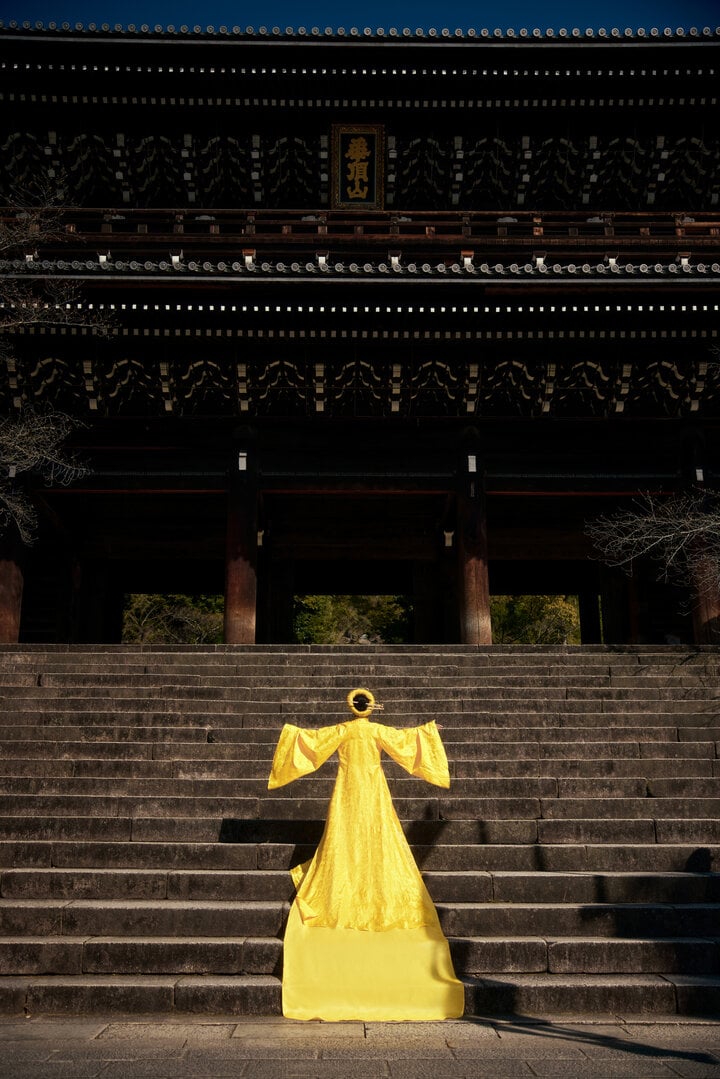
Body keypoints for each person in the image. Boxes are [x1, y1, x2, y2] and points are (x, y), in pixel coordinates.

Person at [267, 687, 465, 1021]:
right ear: (370, 707)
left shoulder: (344, 730)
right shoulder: (374, 730)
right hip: (373, 787)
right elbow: (406, 742)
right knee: (379, 831)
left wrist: (289, 734)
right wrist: (430, 732)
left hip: (347, 788)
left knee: (343, 832)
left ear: (352, 706)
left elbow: (311, 743)